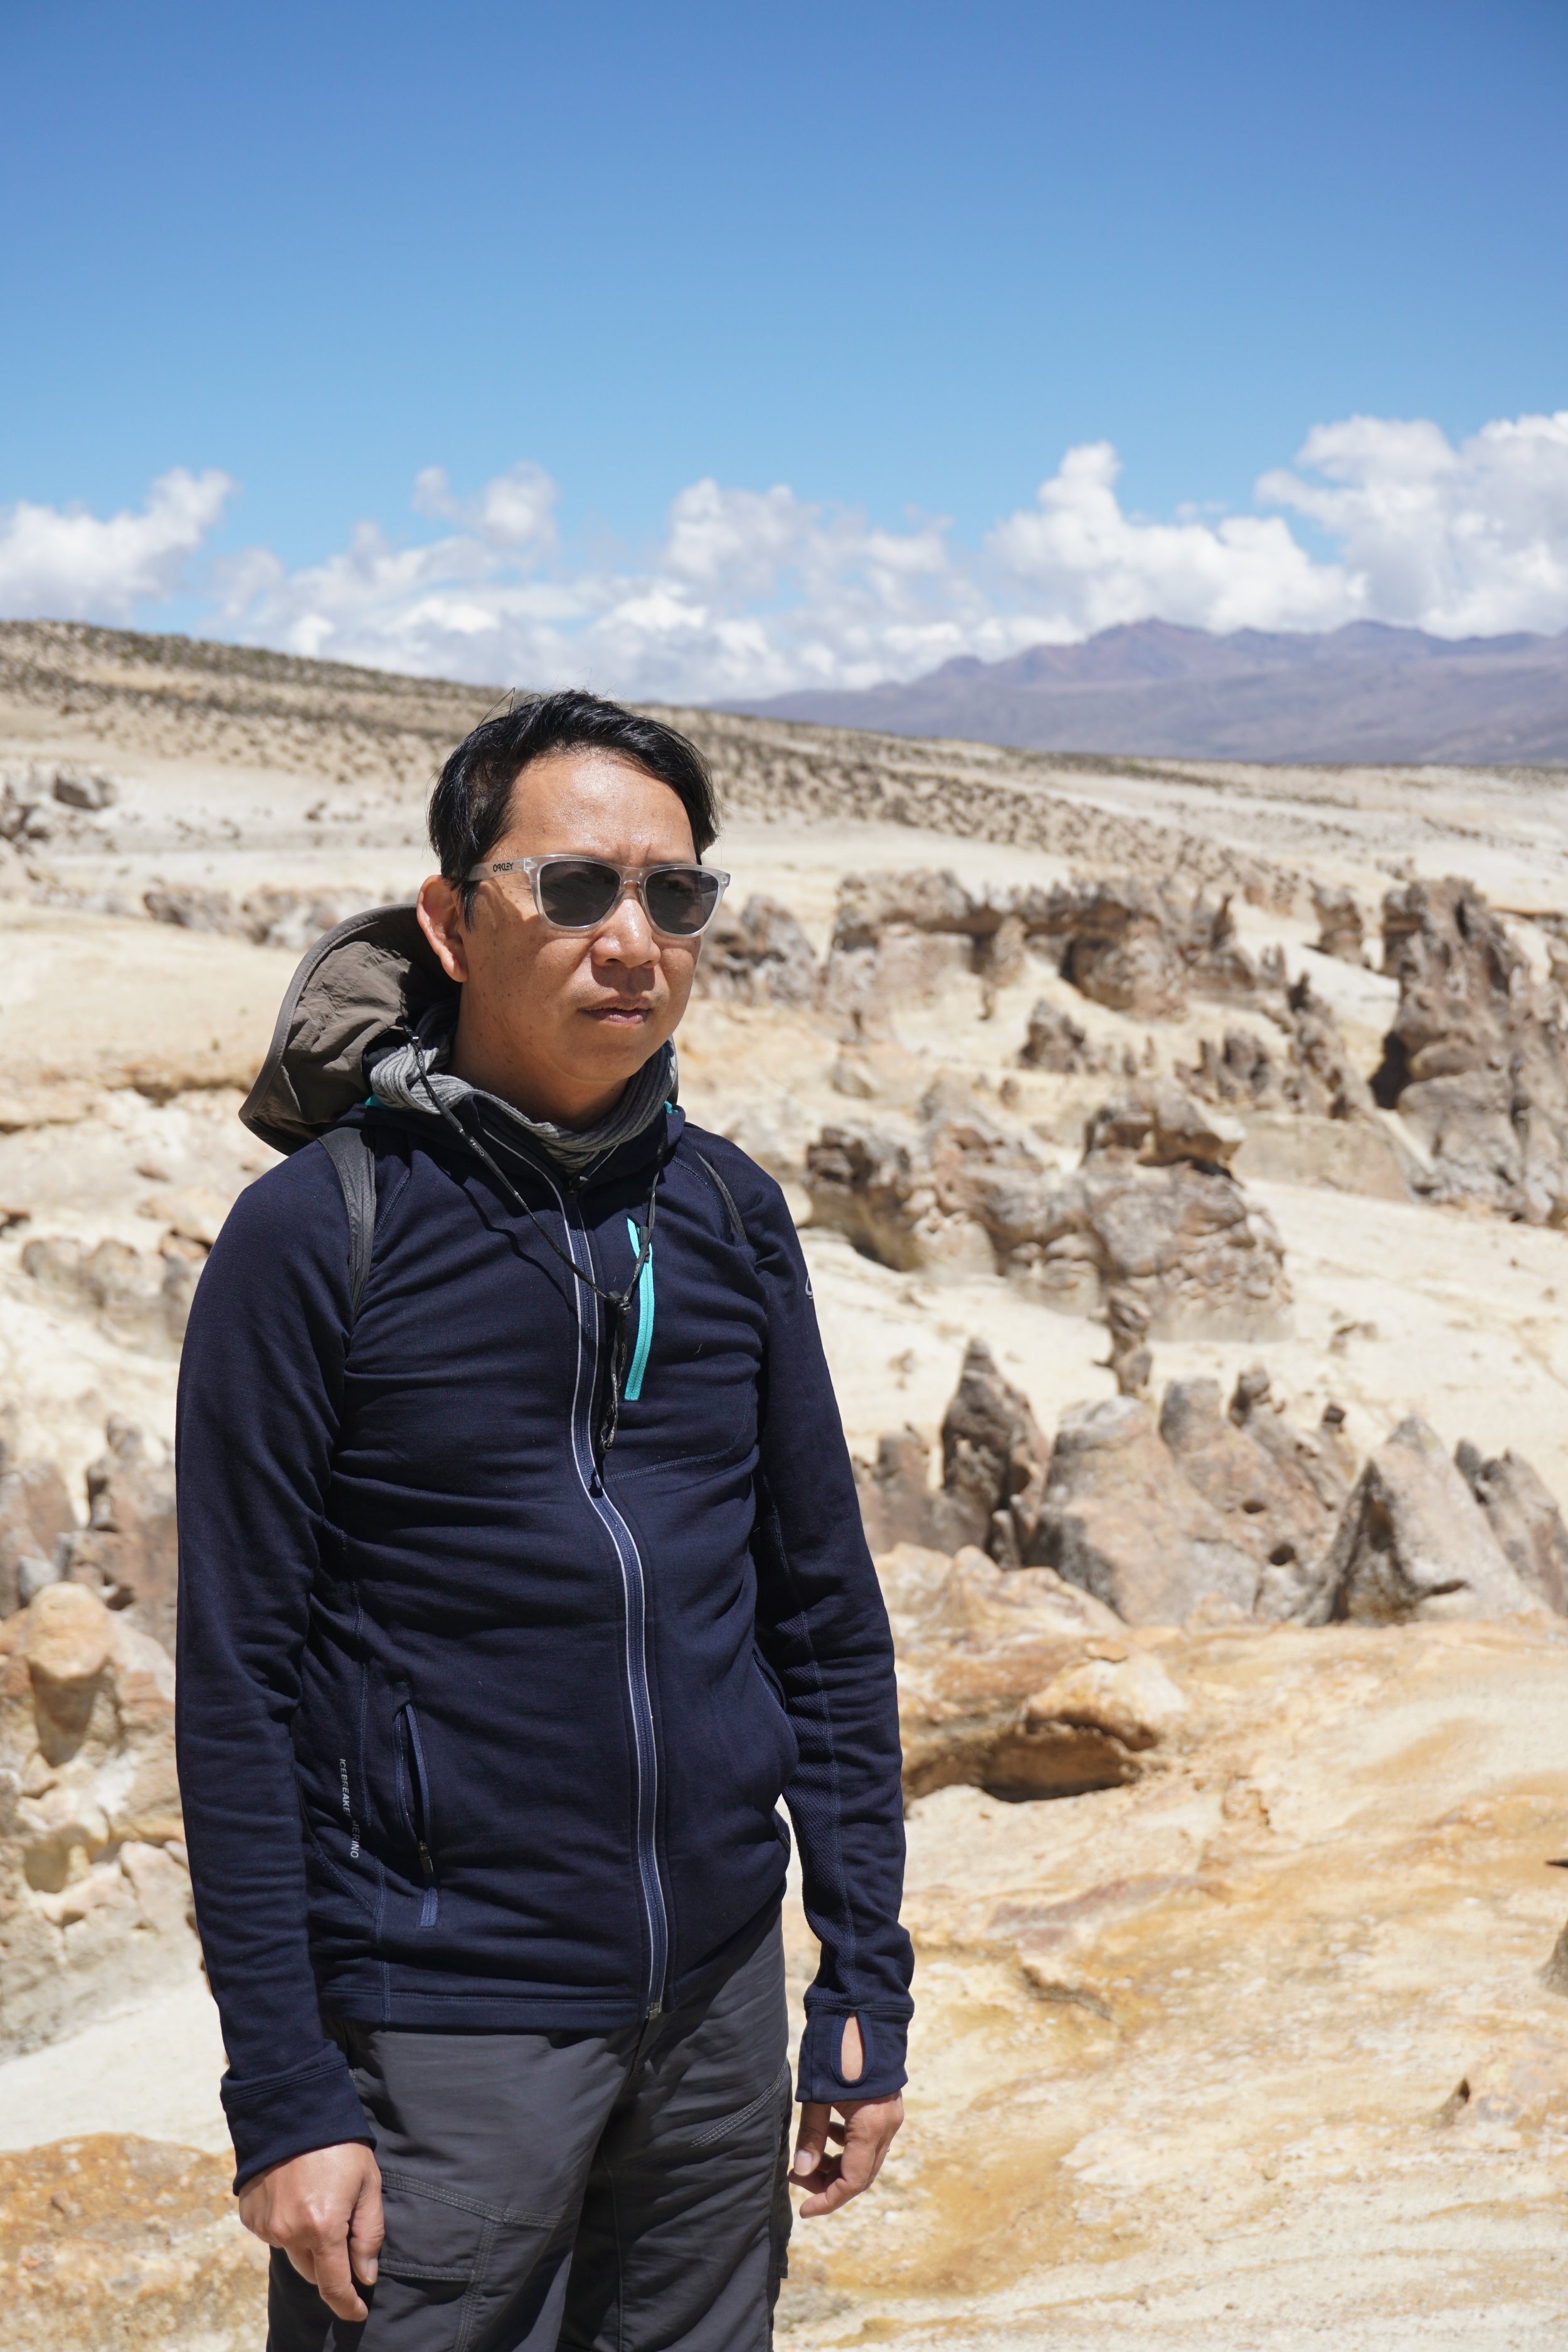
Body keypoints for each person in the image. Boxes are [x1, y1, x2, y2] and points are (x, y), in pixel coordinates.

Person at [174, 689, 914, 2352]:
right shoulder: (317, 1237)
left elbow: (820, 1615)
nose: (631, 937)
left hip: (716, 2010)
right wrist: (285, 2092)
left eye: (676, 895)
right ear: (450, 920)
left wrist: (863, 1977)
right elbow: (239, 1685)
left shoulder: (726, 1212)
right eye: (573, 891)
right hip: (444, 2033)